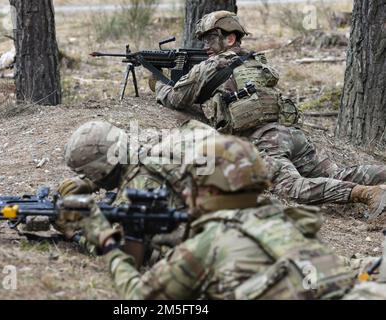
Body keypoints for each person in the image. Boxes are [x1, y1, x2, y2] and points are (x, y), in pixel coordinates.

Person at [57, 135, 365, 299]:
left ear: (207, 191)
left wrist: (107, 243)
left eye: (192, 185)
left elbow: (138, 298)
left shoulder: (206, 246)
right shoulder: (286, 219)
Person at [152, 10, 386, 221]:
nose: (205, 46)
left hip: (265, 141)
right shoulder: (255, 60)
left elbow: (175, 98)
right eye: (203, 40)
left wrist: (157, 83)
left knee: (292, 187)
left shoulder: (210, 66)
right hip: (291, 136)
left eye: (210, 39)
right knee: (337, 173)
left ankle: (366, 194)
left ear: (230, 38)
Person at [55, 119, 218, 265]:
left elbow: (123, 255)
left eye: (90, 174)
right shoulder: (158, 148)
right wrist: (90, 183)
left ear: (103, 171)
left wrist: (74, 232)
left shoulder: (136, 190)